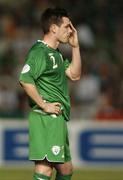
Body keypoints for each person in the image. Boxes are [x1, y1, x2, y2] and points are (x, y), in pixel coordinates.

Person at [19, 7, 81, 180]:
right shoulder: (39, 52)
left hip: (57, 118)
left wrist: (75, 47)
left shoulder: (56, 54)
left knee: (66, 169)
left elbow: (75, 75)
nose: (71, 31)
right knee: (44, 168)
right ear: (54, 28)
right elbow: (25, 79)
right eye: (67, 26)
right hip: (46, 118)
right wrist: (44, 104)